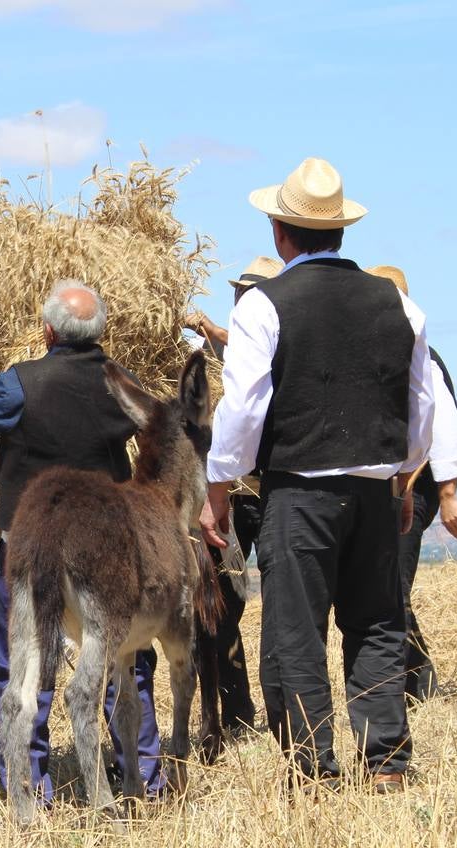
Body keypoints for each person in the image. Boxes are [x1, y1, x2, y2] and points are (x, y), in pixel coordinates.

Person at [200, 158, 434, 795]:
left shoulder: (264, 305)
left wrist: (217, 490)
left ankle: (313, 766)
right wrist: (404, 479)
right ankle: (385, 759)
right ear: (340, 232)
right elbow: (422, 405)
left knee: (295, 630)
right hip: (377, 491)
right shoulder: (400, 306)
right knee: (377, 621)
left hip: (300, 491)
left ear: (281, 232)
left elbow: (243, 407)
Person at [0, 279, 168, 802]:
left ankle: (29, 787)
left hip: (32, 550)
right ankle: (146, 781)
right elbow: (166, 437)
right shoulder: (121, 386)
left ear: (47, 331)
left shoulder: (22, 385)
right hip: (106, 552)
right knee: (122, 668)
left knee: (21, 671)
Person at [365, 265, 457, 702]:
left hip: (417, 486)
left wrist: (449, 496)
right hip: (393, 487)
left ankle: (416, 684)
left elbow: (446, 429)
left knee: (394, 586)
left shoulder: (418, 353)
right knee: (386, 584)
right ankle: (412, 683)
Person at [183, 254, 282, 735]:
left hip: (269, 493)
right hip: (237, 497)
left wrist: (207, 326)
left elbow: (240, 349)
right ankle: (235, 711)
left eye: (251, 291)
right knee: (220, 606)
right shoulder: (229, 347)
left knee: (280, 605)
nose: (244, 298)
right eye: (241, 291)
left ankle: (276, 710)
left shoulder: (272, 339)